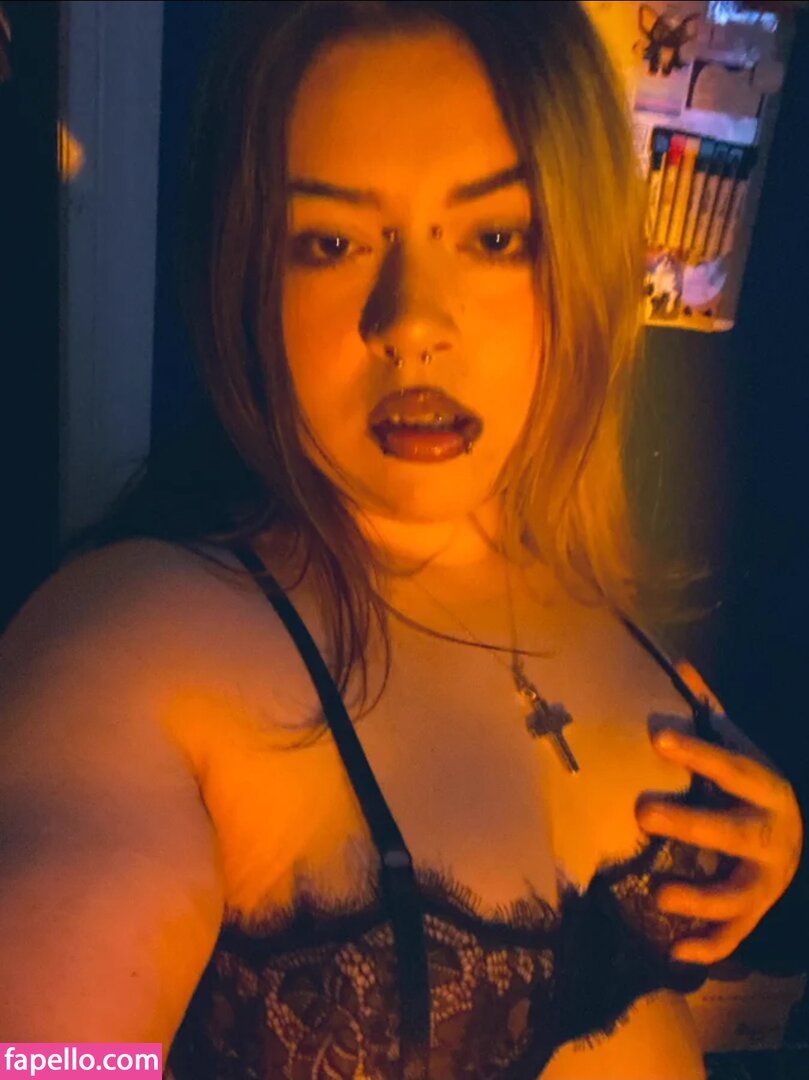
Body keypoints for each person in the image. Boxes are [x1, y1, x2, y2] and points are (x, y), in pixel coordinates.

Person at [0, 3, 803, 1078]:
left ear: (581, 252)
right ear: (248, 276)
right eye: (330, 243)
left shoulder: (595, 605)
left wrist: (760, 840)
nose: (411, 320)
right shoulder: (132, 650)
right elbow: (48, 1060)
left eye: (493, 237)